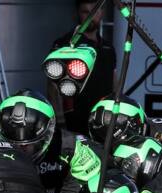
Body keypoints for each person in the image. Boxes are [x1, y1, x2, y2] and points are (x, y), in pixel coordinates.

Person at [50, 0, 116, 134]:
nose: (90, 17)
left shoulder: (108, 48)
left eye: (94, 12)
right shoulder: (65, 44)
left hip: (104, 121)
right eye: (86, 12)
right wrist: (60, 121)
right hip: (74, 123)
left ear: (102, 13)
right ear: (78, 14)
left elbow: (115, 82)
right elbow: (52, 85)